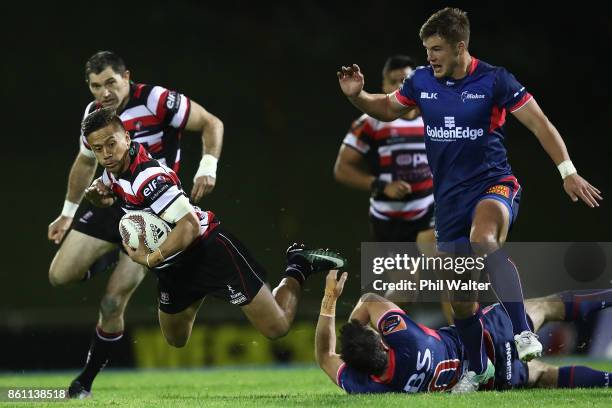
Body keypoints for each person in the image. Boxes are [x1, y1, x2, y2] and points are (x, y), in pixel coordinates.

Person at [337, 7, 602, 391]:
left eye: (437, 49)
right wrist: (357, 94)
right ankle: (475, 371)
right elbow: (386, 108)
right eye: (427, 49)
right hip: (449, 204)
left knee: (484, 237)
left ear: (460, 46)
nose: (430, 57)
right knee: (461, 300)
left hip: (495, 186)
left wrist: (568, 171)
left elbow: (540, 123)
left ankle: (522, 332)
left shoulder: (495, 80)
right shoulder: (422, 82)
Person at [82, 107, 347, 395]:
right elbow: (114, 195)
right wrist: (97, 199)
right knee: (175, 339)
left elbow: (189, 226)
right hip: (175, 267)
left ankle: (298, 265)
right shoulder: (111, 173)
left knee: (278, 327)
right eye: (98, 148)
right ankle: (198, 293)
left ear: (127, 137)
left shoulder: (149, 177)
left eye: (112, 143)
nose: (107, 152)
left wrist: (150, 258)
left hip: (210, 251)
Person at [46, 51, 224, 398]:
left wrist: (208, 165)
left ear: (127, 76)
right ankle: (112, 254)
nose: (104, 93)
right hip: (112, 204)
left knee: (113, 303)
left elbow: (211, 122)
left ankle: (84, 382)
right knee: (59, 275)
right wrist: (68, 211)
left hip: (149, 213)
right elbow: (85, 163)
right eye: (96, 86)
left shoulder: (157, 99)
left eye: (110, 82)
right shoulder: (93, 115)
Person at [315, 271, 612, 393]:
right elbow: (369, 302)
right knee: (546, 307)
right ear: (382, 343)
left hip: (493, 379)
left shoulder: (367, 387)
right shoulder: (405, 337)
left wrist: (354, 347)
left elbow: (324, 355)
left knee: (547, 376)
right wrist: (332, 298)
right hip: (486, 338)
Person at [334, 55, 434, 244]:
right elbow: (342, 169)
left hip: (429, 210)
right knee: (403, 274)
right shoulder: (370, 123)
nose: (399, 86)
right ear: (384, 87)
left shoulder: (434, 116)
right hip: (388, 219)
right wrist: (381, 186)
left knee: (441, 265)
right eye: (393, 81)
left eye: (404, 81)